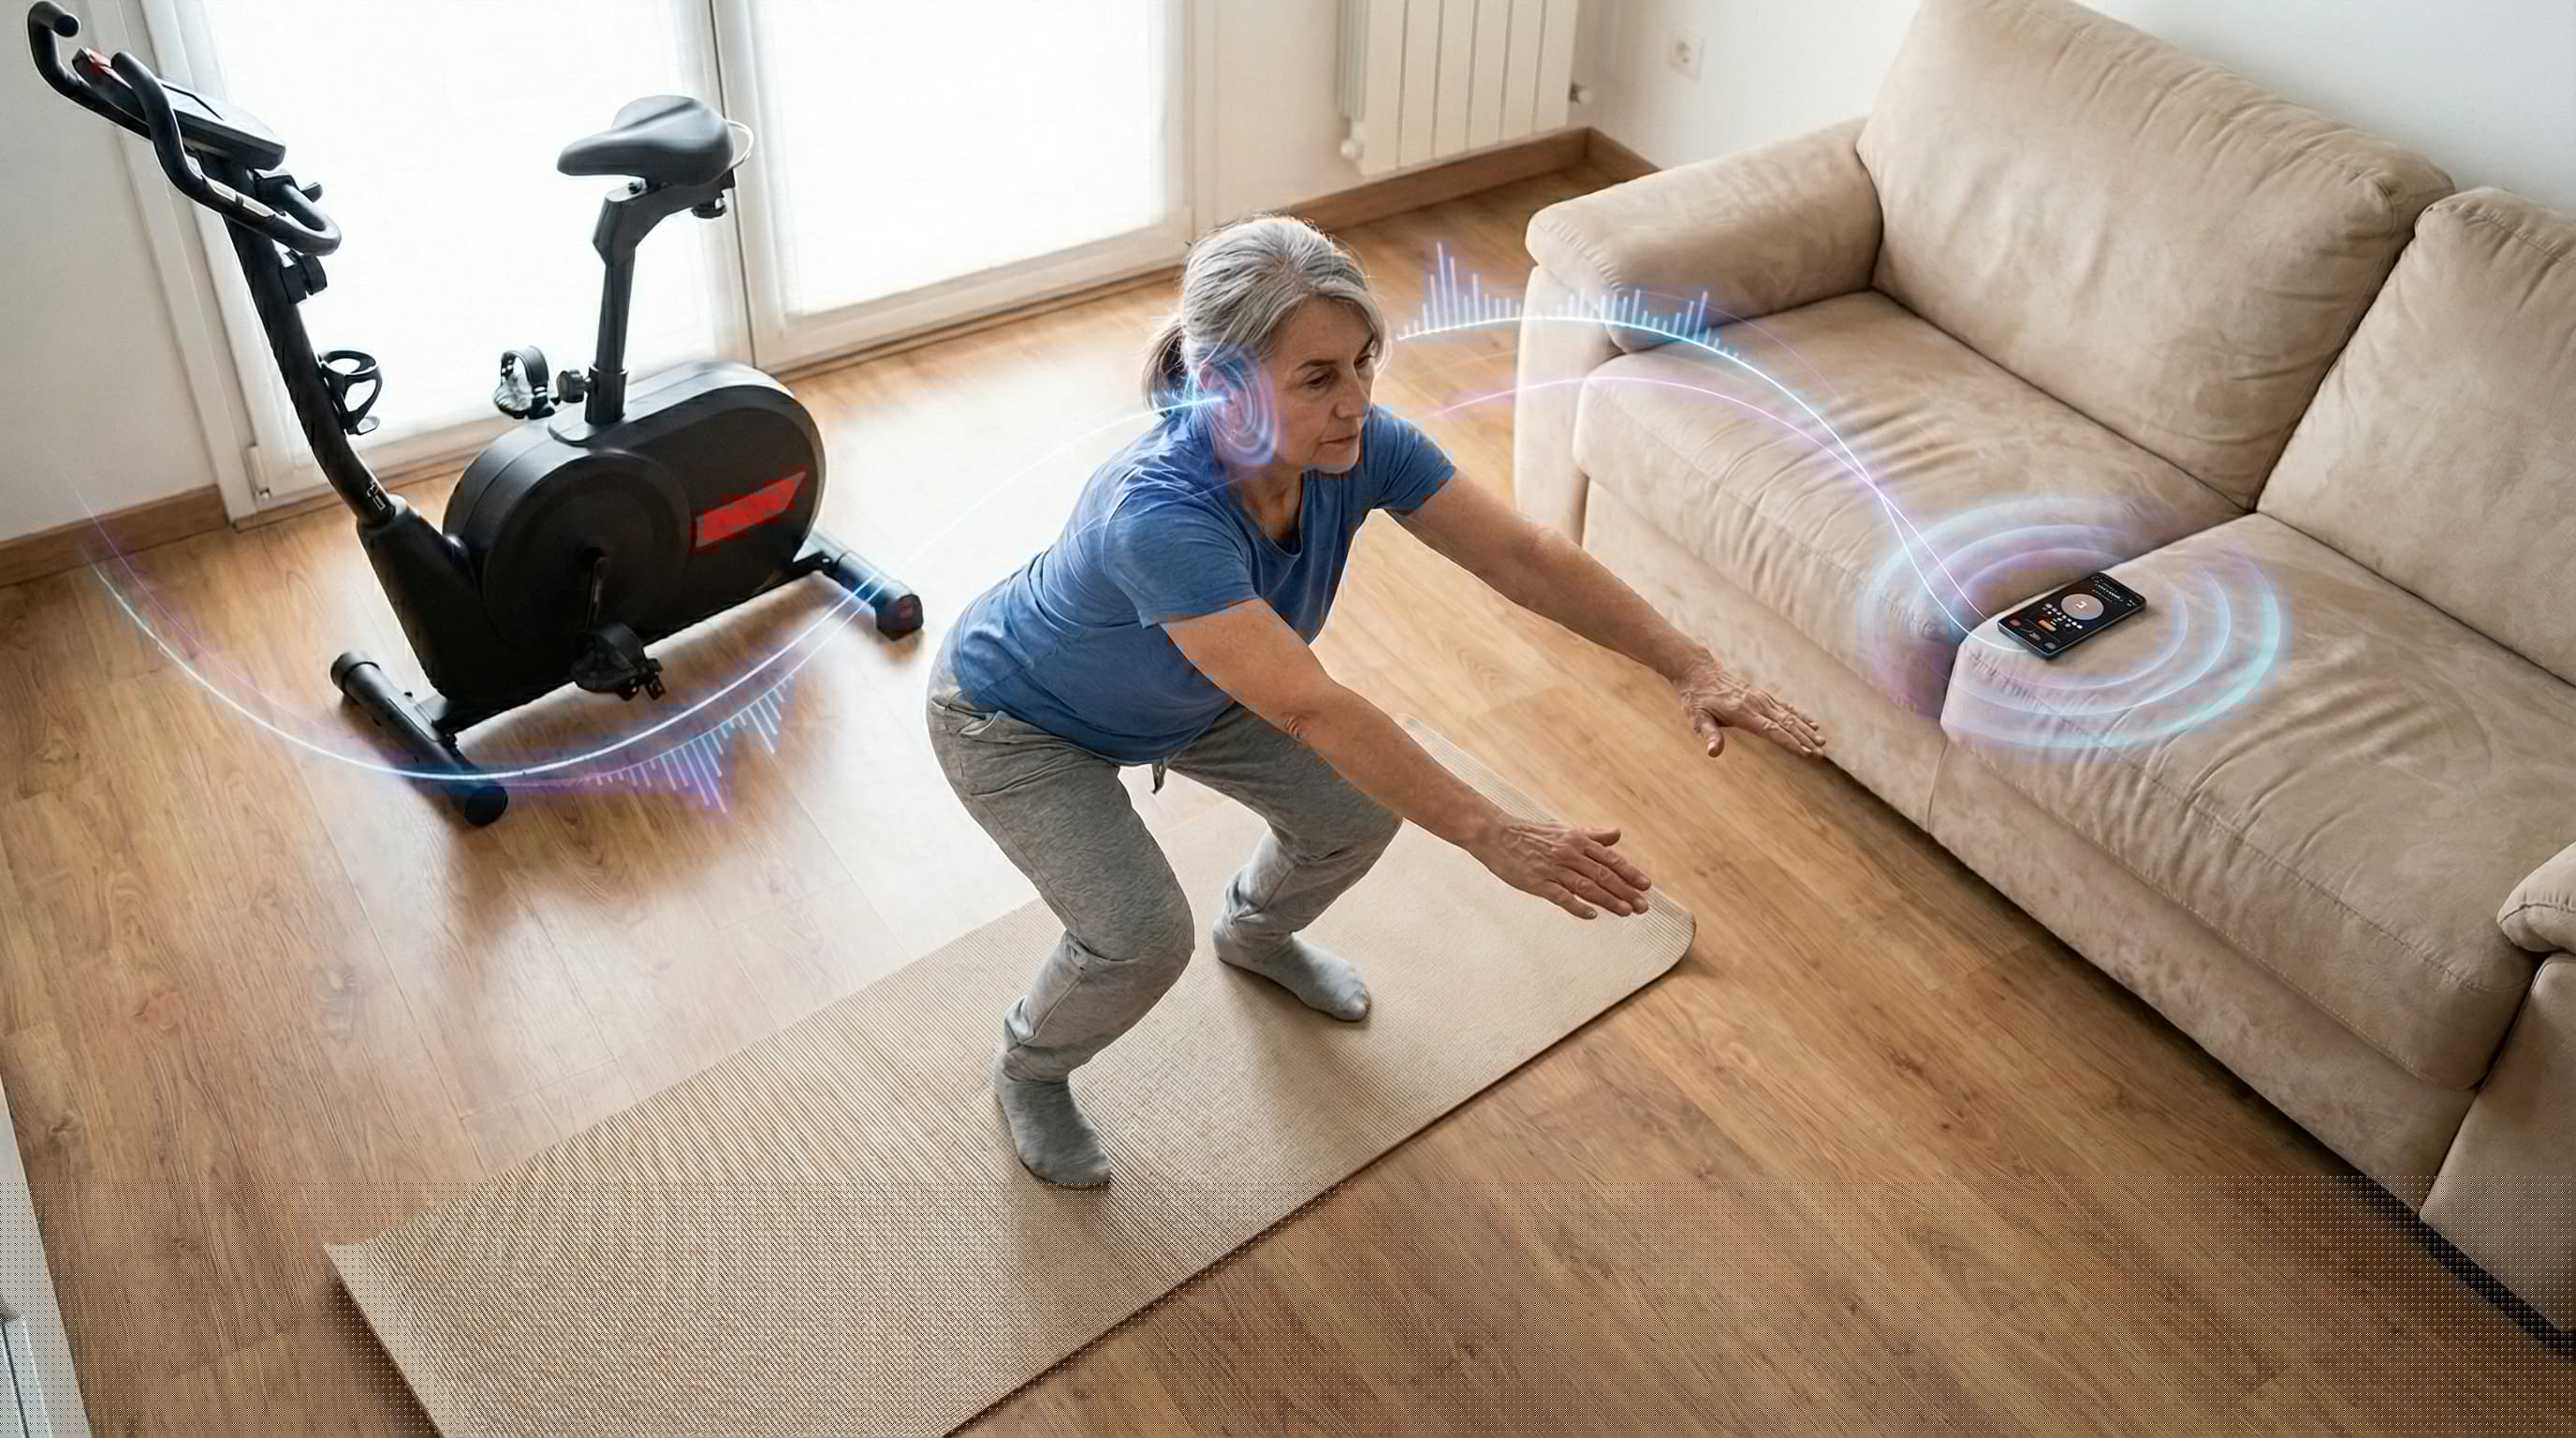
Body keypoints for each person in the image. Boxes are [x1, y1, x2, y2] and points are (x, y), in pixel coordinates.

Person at [927, 214, 1826, 1187]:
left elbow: (1524, 559)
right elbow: (1307, 707)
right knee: (1140, 937)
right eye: (1318, 378)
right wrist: (1493, 833)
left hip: (1192, 693)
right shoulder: (1157, 515)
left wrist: (1690, 665)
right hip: (1020, 720)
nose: (1357, 401)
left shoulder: (1355, 451)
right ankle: (1031, 1065)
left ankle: (1257, 930)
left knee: (1354, 813)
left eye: (1363, 362)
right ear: (1222, 384)